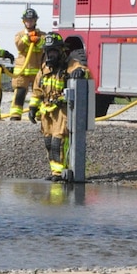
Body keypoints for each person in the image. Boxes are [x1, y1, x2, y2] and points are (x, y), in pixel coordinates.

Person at [27, 32, 91, 181]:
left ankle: (62, 172)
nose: (51, 55)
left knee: (58, 142)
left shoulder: (69, 63)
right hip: (47, 113)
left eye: (54, 51)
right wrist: (32, 108)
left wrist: (79, 71)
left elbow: (84, 71)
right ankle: (56, 172)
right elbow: (37, 91)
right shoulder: (44, 69)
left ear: (61, 50)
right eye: (49, 52)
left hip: (61, 111)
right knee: (49, 143)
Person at [9, 8, 45, 121]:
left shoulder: (42, 35)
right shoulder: (19, 35)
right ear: (24, 21)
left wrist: (38, 40)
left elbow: (43, 47)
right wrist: (27, 38)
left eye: (32, 20)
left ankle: (38, 114)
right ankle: (15, 115)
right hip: (22, 70)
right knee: (20, 92)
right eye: (27, 20)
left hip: (37, 70)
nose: (29, 22)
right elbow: (19, 46)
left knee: (38, 93)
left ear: (35, 21)